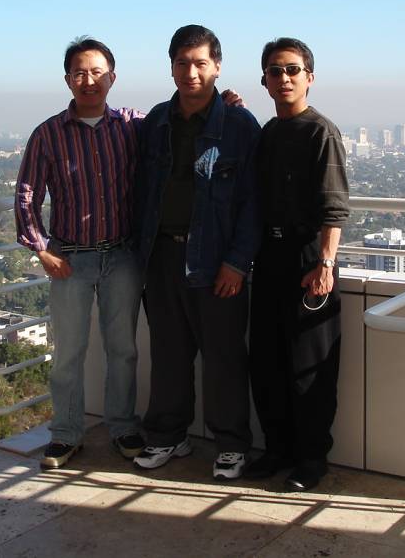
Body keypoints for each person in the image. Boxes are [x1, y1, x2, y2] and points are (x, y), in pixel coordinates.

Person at [133, 24, 261, 481]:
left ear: (217, 67)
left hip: (216, 261)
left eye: (200, 63)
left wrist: (237, 262)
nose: (191, 72)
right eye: (183, 63)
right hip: (162, 256)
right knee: (168, 352)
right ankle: (167, 435)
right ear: (171, 68)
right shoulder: (155, 123)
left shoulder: (240, 125)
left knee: (224, 355)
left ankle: (230, 445)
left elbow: (253, 202)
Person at [15, 37, 145, 468]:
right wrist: (40, 249)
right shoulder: (48, 133)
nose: (88, 81)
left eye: (96, 72)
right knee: (68, 352)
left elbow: (184, 123)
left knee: (122, 349)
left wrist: (231, 103)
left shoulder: (132, 125)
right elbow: (27, 195)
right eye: (79, 73)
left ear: (112, 77)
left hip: (122, 256)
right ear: (67, 78)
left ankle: (123, 427)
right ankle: (67, 434)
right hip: (70, 258)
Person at [245, 37, 349, 492]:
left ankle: (311, 459)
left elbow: (334, 208)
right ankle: (278, 448)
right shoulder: (268, 132)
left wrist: (325, 263)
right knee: (266, 360)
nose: (283, 78)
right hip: (268, 257)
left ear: (309, 77)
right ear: (264, 80)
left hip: (309, 258)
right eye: (274, 71)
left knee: (311, 365)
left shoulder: (320, 132)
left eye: (291, 70)